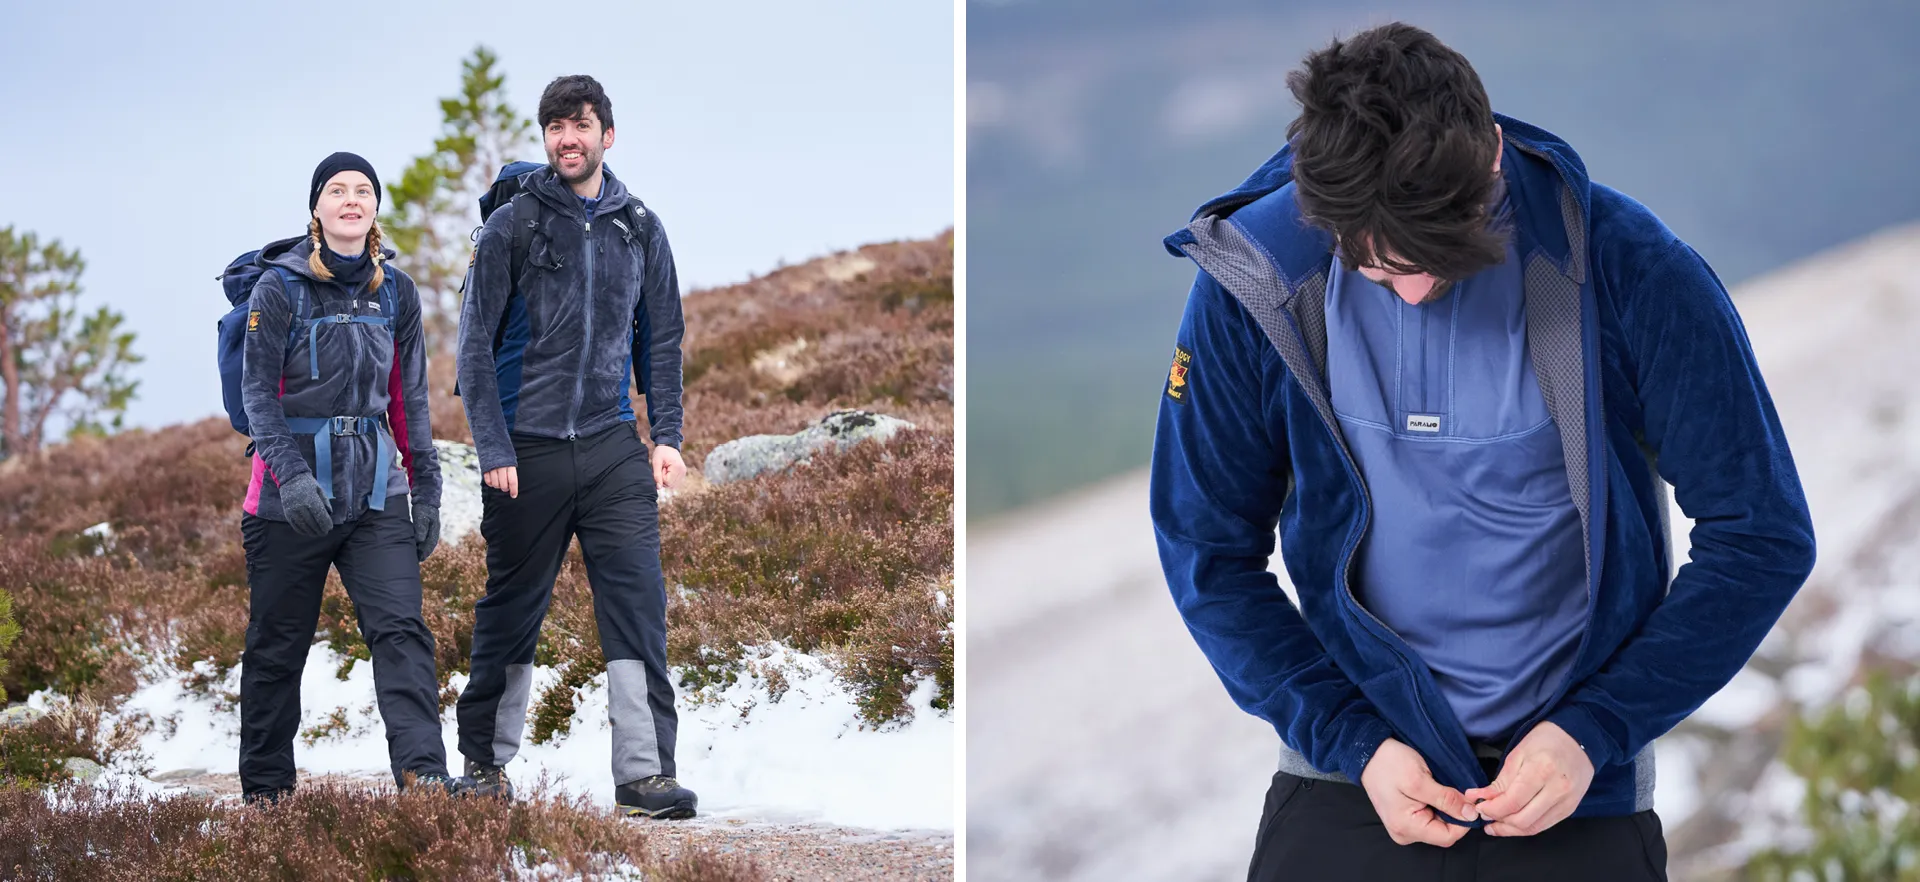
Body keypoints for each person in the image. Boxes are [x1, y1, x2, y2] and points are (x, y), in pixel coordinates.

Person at [1150, 23, 1815, 881]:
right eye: (1382, 269)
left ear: (1493, 155)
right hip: (1354, 778)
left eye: (1441, 253)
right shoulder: (1257, 282)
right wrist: (1352, 741)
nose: (1418, 290)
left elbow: (1760, 534)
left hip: (1574, 785)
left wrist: (1596, 730)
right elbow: (1205, 550)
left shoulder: (1628, 267)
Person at [454, 74, 694, 819]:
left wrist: (668, 437)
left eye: (580, 124)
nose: (568, 137)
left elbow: (662, 339)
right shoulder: (513, 227)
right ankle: (485, 766)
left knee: (637, 606)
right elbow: (471, 349)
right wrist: (492, 447)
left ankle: (645, 776)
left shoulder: (640, 227)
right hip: (525, 451)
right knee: (512, 609)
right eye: (555, 126)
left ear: (606, 136)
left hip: (611, 445)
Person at [238, 152, 450, 802]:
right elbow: (258, 398)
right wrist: (292, 478)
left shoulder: (398, 294)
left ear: (375, 208)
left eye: (363, 190)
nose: (351, 200)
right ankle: (267, 792)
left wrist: (427, 487)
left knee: (402, 631)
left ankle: (424, 777)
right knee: (278, 645)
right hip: (287, 502)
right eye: (338, 190)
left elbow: (409, 399)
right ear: (317, 208)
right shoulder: (278, 289)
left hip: (376, 495)